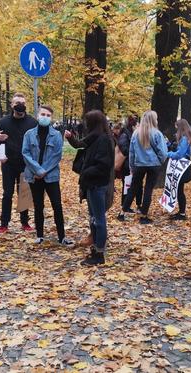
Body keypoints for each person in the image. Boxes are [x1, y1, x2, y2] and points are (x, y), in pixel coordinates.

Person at [64, 110, 114, 265]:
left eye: (87, 122)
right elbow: (81, 144)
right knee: (93, 218)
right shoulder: (94, 137)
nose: (85, 125)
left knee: (99, 219)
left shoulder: (104, 140)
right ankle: (95, 247)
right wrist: (71, 138)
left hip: (97, 184)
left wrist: (85, 172)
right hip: (91, 184)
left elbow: (103, 165)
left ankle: (99, 253)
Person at [21, 105, 74, 246]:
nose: (45, 117)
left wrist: (43, 171)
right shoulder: (29, 134)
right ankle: (40, 235)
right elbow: (25, 153)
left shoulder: (56, 135)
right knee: (38, 205)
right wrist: (37, 171)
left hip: (51, 176)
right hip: (34, 176)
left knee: (57, 205)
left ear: (51, 118)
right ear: (38, 116)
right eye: (43, 114)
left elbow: (57, 156)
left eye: (48, 115)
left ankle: (62, 236)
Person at [0, 93, 37, 234]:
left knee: (24, 193)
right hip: (8, 164)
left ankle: (25, 222)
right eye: (17, 102)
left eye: (23, 102)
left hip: (26, 164)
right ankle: (4, 224)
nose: (20, 105)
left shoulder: (32, 122)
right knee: (7, 194)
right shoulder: (4, 121)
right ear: (12, 105)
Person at [118, 111, 168, 224]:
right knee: (148, 189)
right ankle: (144, 216)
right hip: (153, 165)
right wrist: (160, 161)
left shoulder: (136, 133)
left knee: (133, 188)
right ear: (153, 120)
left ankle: (122, 213)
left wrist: (131, 165)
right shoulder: (157, 134)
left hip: (139, 165)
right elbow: (163, 153)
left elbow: (131, 152)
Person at [167, 119, 191, 220]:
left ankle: (182, 213)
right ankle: (181, 212)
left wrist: (167, 154)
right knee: (179, 190)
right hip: (180, 167)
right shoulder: (184, 138)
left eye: (176, 127)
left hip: (182, 168)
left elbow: (180, 154)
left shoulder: (184, 139)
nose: (175, 128)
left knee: (179, 190)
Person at [117, 115, 142, 212]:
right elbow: (124, 149)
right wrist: (134, 150)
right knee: (127, 184)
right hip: (127, 164)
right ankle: (125, 205)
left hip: (135, 163)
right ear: (133, 126)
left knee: (138, 185)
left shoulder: (132, 134)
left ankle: (138, 205)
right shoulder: (125, 135)